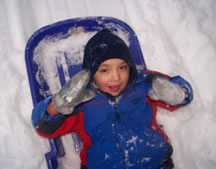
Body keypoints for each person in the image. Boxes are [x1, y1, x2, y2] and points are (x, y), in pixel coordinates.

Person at [32, 29, 193, 169]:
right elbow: (44, 127)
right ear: (91, 72)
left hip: (155, 161)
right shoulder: (80, 101)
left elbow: (182, 94)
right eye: (104, 70)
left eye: (122, 67)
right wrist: (57, 105)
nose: (116, 77)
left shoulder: (144, 83)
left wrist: (176, 93)